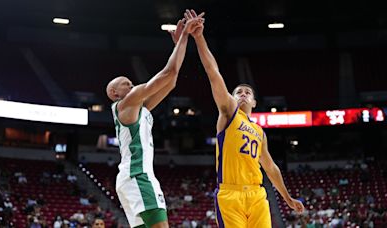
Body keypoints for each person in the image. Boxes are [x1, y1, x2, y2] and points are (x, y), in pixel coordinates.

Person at [184, 9, 305, 228]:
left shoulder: (259, 131)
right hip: (230, 194)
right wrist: (199, 38)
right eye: (238, 91)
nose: (243, 94)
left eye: (247, 92)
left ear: (255, 103)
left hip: (258, 195)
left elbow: (270, 167)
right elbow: (213, 72)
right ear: (231, 97)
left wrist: (287, 198)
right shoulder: (229, 113)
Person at [106, 13, 204, 228]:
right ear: (114, 93)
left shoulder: (138, 109)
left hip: (132, 178)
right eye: (126, 83)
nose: (131, 85)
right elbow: (166, 73)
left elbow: (171, 80)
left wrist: (180, 44)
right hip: (138, 176)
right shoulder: (125, 104)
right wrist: (184, 37)